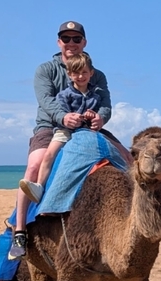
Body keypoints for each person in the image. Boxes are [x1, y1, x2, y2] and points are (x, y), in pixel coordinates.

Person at [8, 21, 132, 260]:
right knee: (34, 166)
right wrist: (63, 117)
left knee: (128, 159)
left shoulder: (97, 74)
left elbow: (105, 104)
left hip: (88, 128)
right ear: (59, 42)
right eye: (67, 39)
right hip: (51, 126)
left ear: (84, 42)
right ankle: (20, 231)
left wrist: (100, 118)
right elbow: (46, 100)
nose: (72, 43)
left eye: (77, 39)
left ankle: (138, 217)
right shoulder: (46, 70)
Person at [18, 53, 101, 203]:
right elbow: (59, 109)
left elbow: (100, 110)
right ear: (69, 74)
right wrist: (68, 117)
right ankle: (39, 186)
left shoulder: (95, 96)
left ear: (91, 73)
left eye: (84, 73)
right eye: (76, 73)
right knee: (49, 154)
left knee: (119, 155)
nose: (81, 76)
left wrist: (92, 115)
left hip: (86, 131)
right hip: (65, 130)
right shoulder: (64, 94)